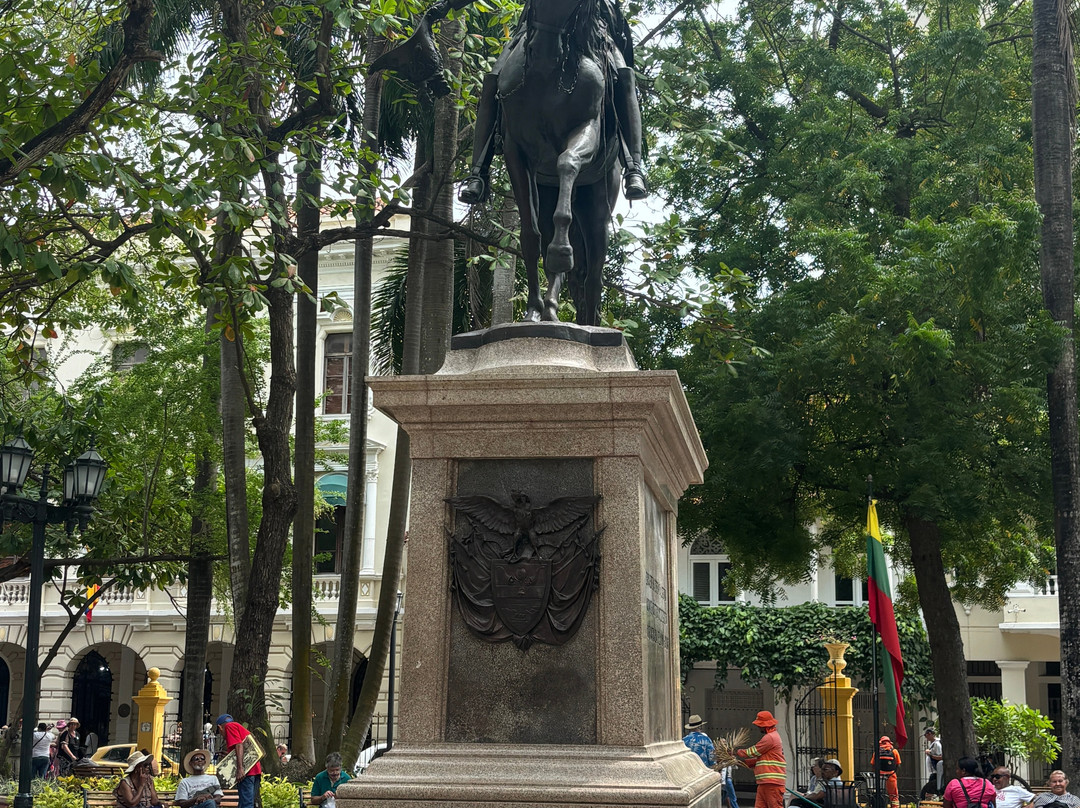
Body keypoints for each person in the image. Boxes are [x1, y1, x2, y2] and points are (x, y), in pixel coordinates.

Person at [453, 0, 648, 205]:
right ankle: (478, 172)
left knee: (625, 78)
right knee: (494, 79)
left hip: (592, 24)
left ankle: (633, 167)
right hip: (536, 23)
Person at [736, 710, 787, 808]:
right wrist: (743, 763)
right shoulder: (773, 737)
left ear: (765, 725)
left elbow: (753, 752)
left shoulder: (770, 738)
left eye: (759, 725)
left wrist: (736, 752)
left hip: (771, 783)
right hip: (766, 782)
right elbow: (761, 759)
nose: (758, 727)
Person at [216, 715, 262, 808]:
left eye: (220, 732)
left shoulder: (229, 726)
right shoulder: (236, 726)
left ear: (220, 727)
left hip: (247, 772)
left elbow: (239, 745)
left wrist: (240, 769)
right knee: (244, 802)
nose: (222, 735)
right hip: (254, 769)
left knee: (246, 804)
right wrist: (228, 756)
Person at [872, 736, 901, 808]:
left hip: (880, 777)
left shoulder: (877, 752)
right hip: (891, 776)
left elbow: (873, 764)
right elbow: (898, 764)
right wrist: (893, 772)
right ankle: (894, 806)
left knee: (879, 793)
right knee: (893, 795)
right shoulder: (894, 751)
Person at [921, 728, 944, 799]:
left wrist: (930, 754)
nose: (925, 737)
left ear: (930, 734)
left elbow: (940, 757)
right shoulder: (933, 744)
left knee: (932, 789)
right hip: (933, 771)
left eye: (926, 735)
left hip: (936, 771)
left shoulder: (937, 744)